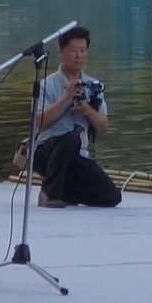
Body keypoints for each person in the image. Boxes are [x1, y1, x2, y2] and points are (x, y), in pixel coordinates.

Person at [27, 26, 120, 208]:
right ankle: (49, 193)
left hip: (78, 156)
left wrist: (87, 110)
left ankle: (64, 191)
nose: (78, 56)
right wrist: (65, 98)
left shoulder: (93, 85)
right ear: (61, 51)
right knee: (71, 137)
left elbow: (103, 125)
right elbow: (39, 123)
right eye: (73, 51)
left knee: (111, 197)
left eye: (83, 51)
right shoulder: (47, 84)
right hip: (46, 152)